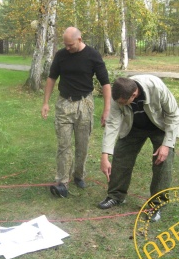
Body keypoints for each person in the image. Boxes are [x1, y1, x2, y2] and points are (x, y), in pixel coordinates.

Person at [41, 27, 111, 197]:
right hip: (64, 103)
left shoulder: (93, 55)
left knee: (82, 144)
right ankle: (63, 181)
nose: (67, 47)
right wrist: (46, 102)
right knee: (64, 145)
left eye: (70, 44)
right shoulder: (61, 55)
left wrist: (107, 109)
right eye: (65, 44)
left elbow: (105, 83)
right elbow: (52, 78)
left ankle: (79, 175)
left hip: (85, 104)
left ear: (79, 40)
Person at [98, 75, 179, 221]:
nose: (120, 105)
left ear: (134, 94)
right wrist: (105, 156)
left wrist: (166, 145)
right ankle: (116, 196)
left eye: (123, 103)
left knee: (163, 161)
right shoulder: (118, 95)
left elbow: (174, 115)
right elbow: (112, 124)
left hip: (160, 126)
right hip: (133, 127)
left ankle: (156, 205)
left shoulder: (157, 88)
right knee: (121, 156)